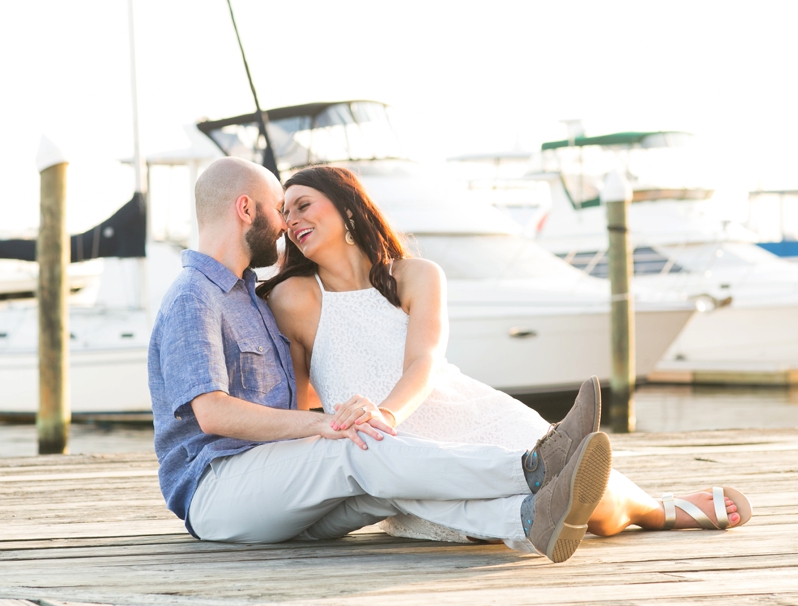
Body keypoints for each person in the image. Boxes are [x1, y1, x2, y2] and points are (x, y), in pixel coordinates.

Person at [147, 157, 614, 563]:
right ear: (246, 209)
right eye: (277, 208)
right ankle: (532, 467)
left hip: (277, 481)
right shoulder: (195, 297)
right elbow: (211, 413)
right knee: (358, 446)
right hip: (219, 491)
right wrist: (326, 424)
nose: (286, 224)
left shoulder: (249, 298)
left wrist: (342, 421)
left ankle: (528, 519)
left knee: (389, 484)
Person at [258, 165, 752, 541]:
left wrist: (385, 412)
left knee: (574, 480)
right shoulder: (292, 298)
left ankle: (652, 510)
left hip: (464, 412)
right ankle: (648, 510)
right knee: (552, 500)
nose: (293, 219)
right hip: (390, 457)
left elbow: (425, 361)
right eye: (286, 213)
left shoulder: (418, 275)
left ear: (347, 206)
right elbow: (301, 403)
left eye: (303, 204)